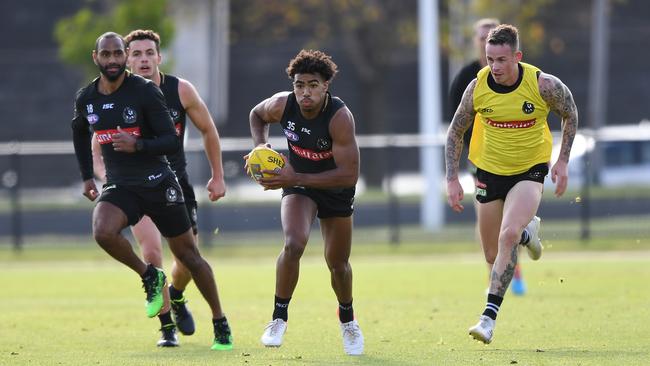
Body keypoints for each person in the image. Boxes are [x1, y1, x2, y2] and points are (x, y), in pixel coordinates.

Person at [71, 31, 233, 351]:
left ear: (158, 57)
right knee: (142, 250)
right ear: (101, 57)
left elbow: (184, 137)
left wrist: (217, 176)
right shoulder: (91, 97)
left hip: (164, 182)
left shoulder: (161, 91)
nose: (140, 59)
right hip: (124, 188)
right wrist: (91, 176)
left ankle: (212, 317)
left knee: (187, 258)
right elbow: (89, 139)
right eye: (133, 53)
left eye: (148, 53)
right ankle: (166, 324)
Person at [445, 24, 578, 344]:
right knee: (493, 254)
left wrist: (561, 161)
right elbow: (455, 131)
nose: (495, 67)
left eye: (502, 59)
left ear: (517, 56)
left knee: (507, 236)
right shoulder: (477, 87)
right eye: (490, 59)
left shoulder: (543, 84)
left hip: (528, 171)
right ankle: (528, 232)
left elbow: (570, 114)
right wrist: (451, 178)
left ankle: (487, 319)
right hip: (488, 172)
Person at [247, 49, 364, 355]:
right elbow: (256, 115)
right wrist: (261, 147)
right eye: (299, 85)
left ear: (326, 85)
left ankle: (348, 320)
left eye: (313, 84)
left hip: (335, 188)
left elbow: (349, 175)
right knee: (293, 244)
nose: (305, 92)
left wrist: (295, 176)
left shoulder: (339, 117)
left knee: (337, 264)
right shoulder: (282, 104)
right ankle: (278, 318)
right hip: (298, 186)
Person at [448, 18, 528, 296]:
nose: (484, 43)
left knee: (512, 223)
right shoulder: (467, 80)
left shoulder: (528, 78)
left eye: (488, 38)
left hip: (520, 162)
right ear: (476, 43)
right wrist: (459, 168)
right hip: (482, 161)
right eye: (480, 39)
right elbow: (457, 127)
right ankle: (497, 275)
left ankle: (517, 259)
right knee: (487, 221)